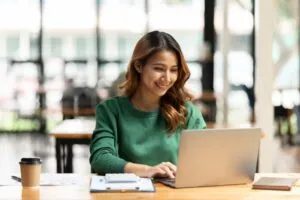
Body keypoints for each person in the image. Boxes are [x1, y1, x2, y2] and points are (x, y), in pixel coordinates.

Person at [89, 31, 206, 179]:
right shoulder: (111, 110)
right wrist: (147, 170)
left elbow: (204, 161)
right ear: (139, 66)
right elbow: (100, 159)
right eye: (159, 69)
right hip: (128, 195)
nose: (167, 78)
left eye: (174, 70)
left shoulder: (188, 112)